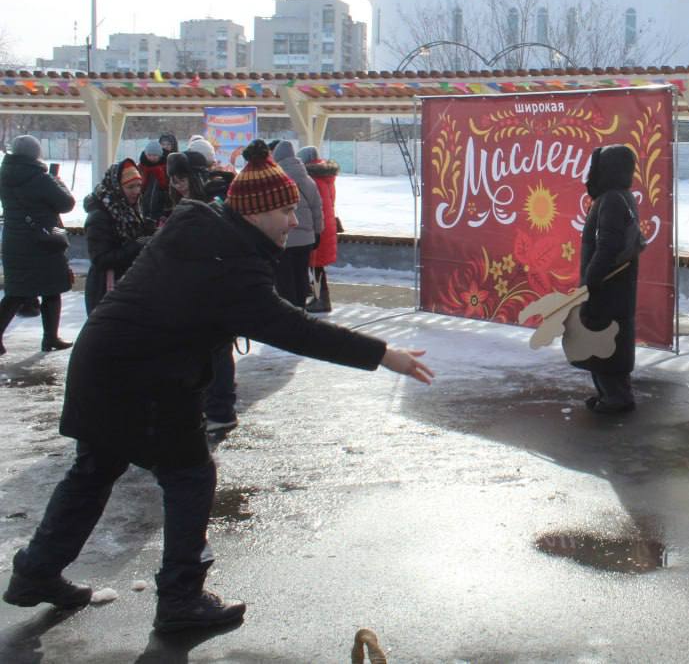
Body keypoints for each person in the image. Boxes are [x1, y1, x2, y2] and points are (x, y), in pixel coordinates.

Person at [1, 139, 433, 633]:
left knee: (94, 470)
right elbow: (295, 328)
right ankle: (181, 598)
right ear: (255, 212)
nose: (294, 220)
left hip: (102, 362)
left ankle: (36, 573)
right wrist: (384, 355)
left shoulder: (200, 229)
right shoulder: (227, 264)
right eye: (285, 210)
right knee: (189, 476)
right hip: (147, 379)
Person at [168, 150, 240, 431]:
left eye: (182, 178)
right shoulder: (194, 202)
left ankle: (220, 410)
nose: (177, 185)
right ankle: (210, 408)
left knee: (217, 354)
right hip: (192, 292)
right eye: (173, 180)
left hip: (211, 292)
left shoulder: (215, 203)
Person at [574, 145, 644, 414]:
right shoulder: (620, 196)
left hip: (606, 287)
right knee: (609, 340)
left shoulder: (612, 199)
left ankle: (616, 398)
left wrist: (590, 282)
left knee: (603, 340)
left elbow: (608, 246)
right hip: (617, 286)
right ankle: (611, 394)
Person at [0, 135, 76, 353]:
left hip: (15, 241)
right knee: (53, 289)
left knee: (16, 292)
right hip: (47, 238)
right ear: (36, 154)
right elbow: (67, 203)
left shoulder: (5, 175)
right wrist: (56, 180)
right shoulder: (40, 177)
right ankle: (50, 338)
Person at [83, 159, 152, 314]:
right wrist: (136, 245)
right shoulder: (99, 216)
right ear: (116, 188)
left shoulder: (130, 209)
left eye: (139, 185)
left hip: (126, 287)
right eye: (130, 187)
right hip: (105, 290)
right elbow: (101, 258)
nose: (136, 191)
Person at [268, 140, 323, 308]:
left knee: (285, 281)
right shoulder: (308, 180)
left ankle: (291, 316)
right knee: (301, 276)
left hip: (285, 239)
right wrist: (318, 232)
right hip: (306, 239)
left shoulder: (276, 180)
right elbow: (317, 208)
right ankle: (301, 310)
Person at [299, 145, 338, 314]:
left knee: (315, 264)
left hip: (318, 227)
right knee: (317, 265)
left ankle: (321, 299)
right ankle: (320, 298)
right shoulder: (326, 177)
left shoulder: (312, 179)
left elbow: (313, 206)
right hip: (327, 225)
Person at [138, 140, 170, 225]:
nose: (152, 158)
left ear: (160, 155)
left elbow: (167, 185)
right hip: (144, 203)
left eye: (155, 155)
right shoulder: (141, 167)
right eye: (149, 155)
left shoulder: (166, 167)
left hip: (161, 204)